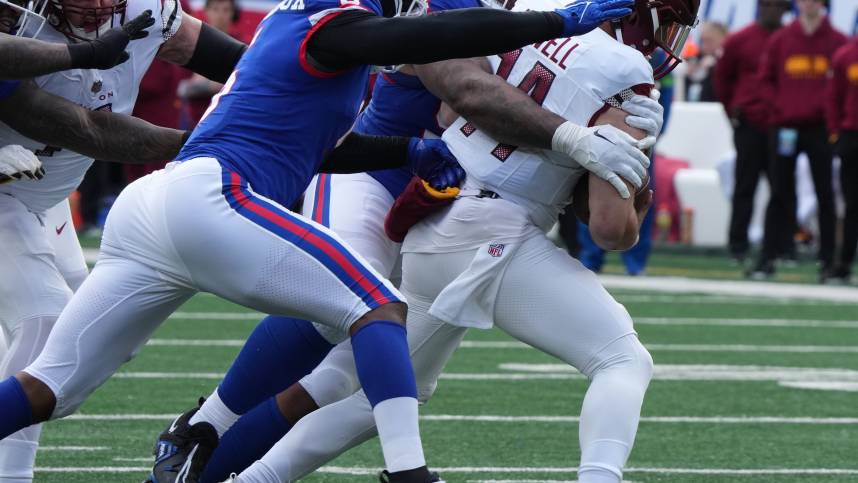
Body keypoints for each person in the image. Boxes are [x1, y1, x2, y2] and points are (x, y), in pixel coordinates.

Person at [0, 1, 647, 483]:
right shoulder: (331, 21)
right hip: (215, 198)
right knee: (377, 306)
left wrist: (409, 149)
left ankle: (209, 442)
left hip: (157, 207)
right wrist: (560, 26)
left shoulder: (296, 30)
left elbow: (324, 141)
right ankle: (405, 471)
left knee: (49, 389)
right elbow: (434, 43)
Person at [198, 2, 696, 483]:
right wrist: (629, 185)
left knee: (381, 391)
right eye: (672, 23)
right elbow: (610, 229)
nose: (672, 41)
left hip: (436, 212)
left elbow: (445, 113)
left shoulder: (529, 21)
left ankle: (237, 474)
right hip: (451, 212)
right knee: (622, 358)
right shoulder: (629, 74)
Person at [0, 0, 252, 477]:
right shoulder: (14, 13)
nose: (96, 5)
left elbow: (213, 52)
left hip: (45, 194)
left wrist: (286, 77)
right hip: (7, 187)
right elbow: (88, 128)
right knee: (48, 327)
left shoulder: (144, 7)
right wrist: (204, 143)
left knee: (103, 333)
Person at [749, 0, 848, 280]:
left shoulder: (837, 41)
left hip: (820, 129)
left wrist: (833, 119)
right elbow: (764, 79)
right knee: (779, 192)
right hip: (786, 127)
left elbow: (841, 86)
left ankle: (828, 261)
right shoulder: (782, 40)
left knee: (825, 194)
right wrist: (777, 107)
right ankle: (767, 258)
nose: (808, 3)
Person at [714, 0, 790, 262]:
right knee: (745, 185)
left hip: (782, 124)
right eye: (767, 5)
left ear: (784, 9)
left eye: (777, 5)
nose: (771, 10)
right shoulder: (740, 39)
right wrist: (733, 109)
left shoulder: (789, 40)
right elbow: (722, 78)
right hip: (749, 123)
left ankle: (781, 246)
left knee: (782, 187)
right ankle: (738, 244)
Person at [826, 34, 858, 282]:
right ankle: (845, 261)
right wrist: (836, 131)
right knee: (852, 205)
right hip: (852, 135)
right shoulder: (846, 55)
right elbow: (833, 97)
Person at [684, 21, 727, 102]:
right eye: (702, 41)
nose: (704, 45)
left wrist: (717, 66)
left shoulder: (728, 61)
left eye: (709, 41)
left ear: (723, 40)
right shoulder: (696, 58)